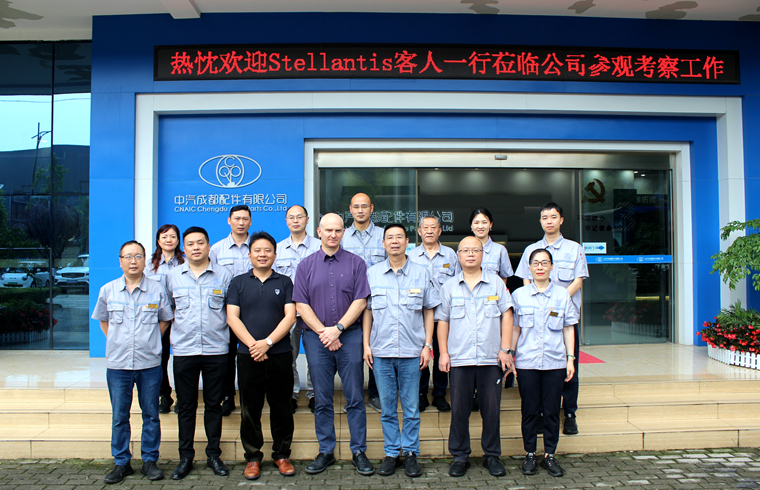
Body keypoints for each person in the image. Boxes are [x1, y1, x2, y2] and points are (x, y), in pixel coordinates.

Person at [293, 213, 375, 476]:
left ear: (343, 232)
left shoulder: (356, 263)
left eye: (338, 230)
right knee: (322, 398)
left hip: (349, 336)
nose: (333, 234)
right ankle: (326, 451)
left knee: (355, 397)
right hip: (316, 339)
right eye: (328, 230)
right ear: (319, 231)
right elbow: (301, 304)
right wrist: (324, 332)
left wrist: (337, 329)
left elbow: (360, 301)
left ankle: (359, 451)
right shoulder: (305, 265)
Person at [92, 240, 173, 484]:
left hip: (149, 364)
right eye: (128, 256)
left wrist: (149, 341)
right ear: (120, 261)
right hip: (118, 365)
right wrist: (119, 341)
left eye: (138, 256)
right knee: (120, 416)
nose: (133, 261)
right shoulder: (108, 290)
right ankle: (121, 463)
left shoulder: (157, 290)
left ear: (145, 260)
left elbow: (165, 319)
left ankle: (150, 461)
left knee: (151, 414)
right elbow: (104, 321)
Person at [363, 223, 440, 478]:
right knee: (387, 408)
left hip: (411, 352)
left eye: (399, 237)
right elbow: (368, 312)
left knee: (411, 408)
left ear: (408, 242)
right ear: (383, 243)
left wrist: (427, 345)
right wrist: (366, 345)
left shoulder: (421, 272)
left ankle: (410, 453)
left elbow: (429, 310)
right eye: (390, 237)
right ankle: (391, 453)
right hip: (381, 353)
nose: (394, 241)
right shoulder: (372, 273)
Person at [436, 236, 514, 478]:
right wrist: (443, 353)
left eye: (475, 250)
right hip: (460, 359)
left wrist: (505, 349)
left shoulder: (496, 283)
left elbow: (508, 315)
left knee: (491, 410)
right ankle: (460, 456)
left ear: (482, 254)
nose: (470, 254)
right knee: (459, 410)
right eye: (465, 250)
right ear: (458, 256)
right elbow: (443, 321)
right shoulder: (449, 286)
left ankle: (492, 455)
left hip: (491, 359)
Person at [227, 231, 297, 480]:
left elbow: (290, 316)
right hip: (248, 355)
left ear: (275, 255)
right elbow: (232, 317)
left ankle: (282, 455)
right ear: (249, 255)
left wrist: (267, 343)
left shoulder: (285, 282)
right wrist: (253, 346)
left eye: (267, 250)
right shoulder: (238, 282)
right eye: (257, 250)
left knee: (282, 407)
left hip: (279, 353)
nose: (262, 254)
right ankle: (253, 458)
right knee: (250, 408)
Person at [165, 226, 233, 480]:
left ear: (208, 246)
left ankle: (214, 454)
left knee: (214, 405)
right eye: (190, 244)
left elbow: (231, 312)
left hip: (216, 350)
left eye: (200, 243)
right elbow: (167, 311)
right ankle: (186, 457)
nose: (196, 247)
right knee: (186, 406)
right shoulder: (172, 277)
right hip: (184, 350)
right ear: (183, 248)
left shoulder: (224, 275)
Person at [515, 202, 588, 435]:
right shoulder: (531, 250)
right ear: (540, 221)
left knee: (568, 364)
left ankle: (569, 413)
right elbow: (526, 281)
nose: (549, 221)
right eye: (544, 217)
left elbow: (578, 280)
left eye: (553, 217)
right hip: (534, 319)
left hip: (564, 319)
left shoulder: (574, 249)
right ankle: (539, 413)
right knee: (539, 369)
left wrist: (557, 300)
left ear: (561, 220)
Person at [510, 248, 578, 478]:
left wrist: (570, 359)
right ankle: (530, 454)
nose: (540, 267)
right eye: (536, 263)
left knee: (551, 411)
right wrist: (511, 356)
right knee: (529, 411)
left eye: (544, 263)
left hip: (554, 363)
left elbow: (568, 328)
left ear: (551, 266)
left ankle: (550, 455)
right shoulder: (519, 295)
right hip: (527, 363)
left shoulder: (562, 295)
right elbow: (515, 329)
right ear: (529, 267)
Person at [341, 192, 386, 412]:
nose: (360, 210)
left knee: (376, 347)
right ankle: (354, 396)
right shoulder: (342, 237)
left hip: (379, 303)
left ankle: (376, 394)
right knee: (351, 351)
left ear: (371, 208)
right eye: (356, 206)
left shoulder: (384, 235)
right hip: (349, 303)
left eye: (364, 206)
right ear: (350, 209)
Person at [409, 215, 460, 412]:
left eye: (433, 227)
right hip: (418, 316)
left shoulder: (450, 255)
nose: (429, 231)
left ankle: (439, 393)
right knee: (419, 355)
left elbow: (458, 283)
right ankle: (421, 393)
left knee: (442, 353)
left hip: (444, 316)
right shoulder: (411, 255)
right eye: (425, 227)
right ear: (419, 231)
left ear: (440, 231)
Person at [274, 205, 321, 414]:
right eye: (291, 217)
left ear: (307, 220)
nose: (295, 221)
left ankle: (314, 394)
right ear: (286, 221)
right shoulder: (278, 249)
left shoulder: (319, 246)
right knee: (288, 355)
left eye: (299, 217)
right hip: (288, 313)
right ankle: (291, 393)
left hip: (314, 311)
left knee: (315, 357)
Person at [210, 204, 253, 416]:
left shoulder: (257, 247)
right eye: (237, 218)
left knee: (250, 354)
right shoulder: (217, 250)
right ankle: (227, 396)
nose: (241, 223)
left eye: (245, 219)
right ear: (229, 221)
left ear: (250, 222)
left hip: (253, 311)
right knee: (226, 356)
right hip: (225, 312)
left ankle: (250, 396)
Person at [470, 207, 515, 396]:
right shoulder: (465, 248)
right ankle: (473, 392)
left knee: (493, 347)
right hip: (470, 308)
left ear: (491, 225)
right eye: (476, 222)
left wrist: (497, 303)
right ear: (471, 226)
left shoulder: (499, 250)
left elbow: (504, 279)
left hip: (493, 307)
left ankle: (490, 388)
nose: (480, 226)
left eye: (484, 222)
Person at [146, 224, 184, 414]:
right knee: (160, 358)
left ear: (178, 240)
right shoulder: (149, 266)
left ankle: (183, 398)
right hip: (159, 320)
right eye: (164, 236)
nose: (169, 240)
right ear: (158, 240)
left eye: (173, 236)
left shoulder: (186, 262)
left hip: (181, 319)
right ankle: (164, 395)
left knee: (182, 360)